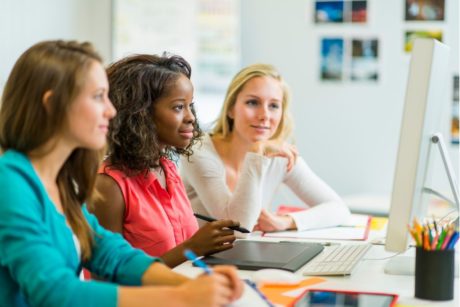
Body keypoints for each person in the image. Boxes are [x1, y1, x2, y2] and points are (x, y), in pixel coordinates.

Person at [0, 40, 242, 307]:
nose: (111, 110)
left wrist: (193, 285)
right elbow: (55, 292)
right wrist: (181, 296)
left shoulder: (57, 183)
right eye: (97, 97)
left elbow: (111, 254)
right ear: (53, 104)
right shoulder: (9, 183)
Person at [90, 54, 239, 268]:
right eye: (179, 107)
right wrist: (191, 249)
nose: (191, 117)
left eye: (190, 106)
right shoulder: (108, 187)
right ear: (140, 114)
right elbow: (106, 281)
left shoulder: (166, 168)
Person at [180, 63, 350, 232]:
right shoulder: (198, 151)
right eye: (253, 102)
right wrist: (256, 153)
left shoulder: (279, 156)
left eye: (274, 105)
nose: (265, 116)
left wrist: (287, 221)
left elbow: (339, 209)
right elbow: (238, 227)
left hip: (246, 254)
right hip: (198, 258)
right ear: (231, 109)